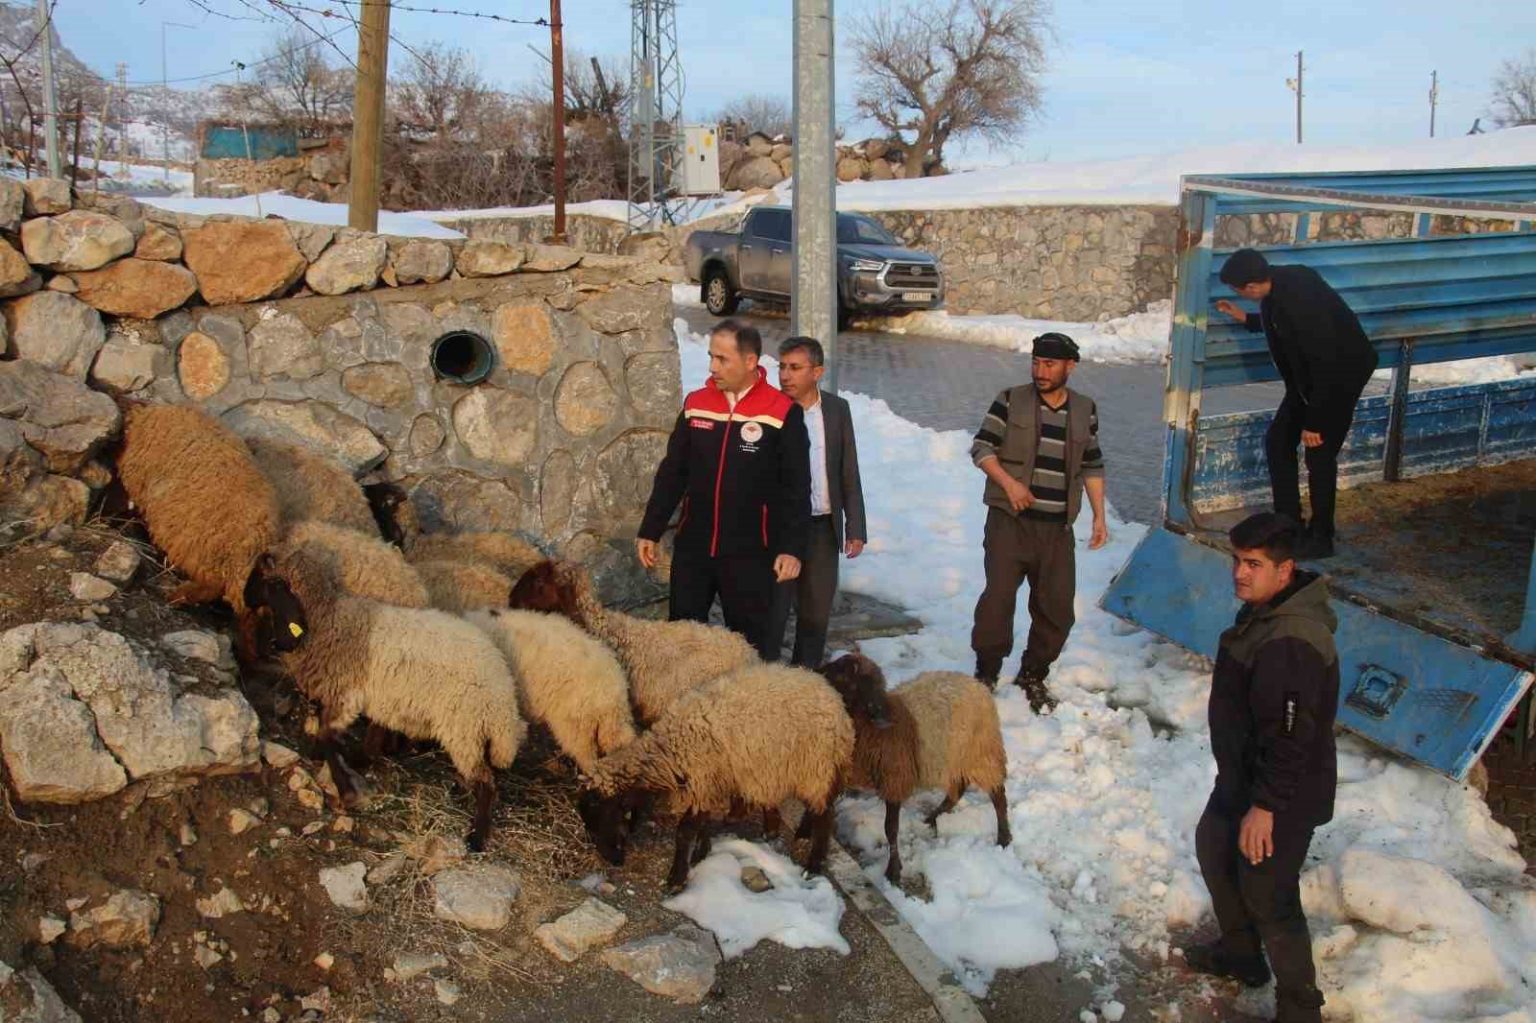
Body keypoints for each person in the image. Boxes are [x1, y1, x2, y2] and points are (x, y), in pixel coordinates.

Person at [1188, 512, 1337, 1023]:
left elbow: (1291, 736)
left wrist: (1266, 808)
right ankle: (1242, 955)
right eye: (1236, 560)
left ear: (1285, 569)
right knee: (1215, 847)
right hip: (1245, 778)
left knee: (1268, 892)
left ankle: (1300, 1008)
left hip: (1283, 792)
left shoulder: (1291, 639)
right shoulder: (1267, 613)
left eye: (1253, 564)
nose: (1239, 573)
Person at [636, 319, 810, 659]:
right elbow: (673, 473)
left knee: (750, 649)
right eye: (711, 357)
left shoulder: (781, 412)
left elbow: (797, 488)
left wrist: (792, 548)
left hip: (751, 554)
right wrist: (650, 529)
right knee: (682, 645)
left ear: (750, 361)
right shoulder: (696, 404)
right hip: (694, 549)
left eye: (722, 359)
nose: (712, 367)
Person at [968, 331, 1109, 711]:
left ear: (1070, 366)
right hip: (1009, 524)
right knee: (997, 602)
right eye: (1036, 362)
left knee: (1057, 609)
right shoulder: (1010, 399)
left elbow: (1092, 463)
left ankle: (1033, 675)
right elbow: (981, 447)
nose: (1040, 371)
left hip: (1057, 530)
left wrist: (1099, 516)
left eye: (1049, 364)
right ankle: (986, 673)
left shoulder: (1085, 409)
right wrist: (1009, 484)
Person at [1216, 248, 1379, 560]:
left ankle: (1321, 536)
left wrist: (1315, 422)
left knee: (1319, 454)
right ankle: (1287, 524)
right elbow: (1283, 323)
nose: (1240, 295)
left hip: (1340, 377)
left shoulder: (1300, 299)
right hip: (1309, 382)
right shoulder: (1279, 283)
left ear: (1251, 286)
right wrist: (1246, 318)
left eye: (1238, 291)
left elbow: (1324, 360)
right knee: (1278, 442)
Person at [764, 336, 868, 667]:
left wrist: (855, 525)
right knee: (774, 612)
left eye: (795, 368)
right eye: (782, 367)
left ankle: (805, 680)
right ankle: (763, 680)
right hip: (781, 530)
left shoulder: (837, 410)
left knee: (815, 616)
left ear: (817, 372)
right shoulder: (771, 409)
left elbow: (848, 469)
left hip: (823, 527)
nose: (785, 375)